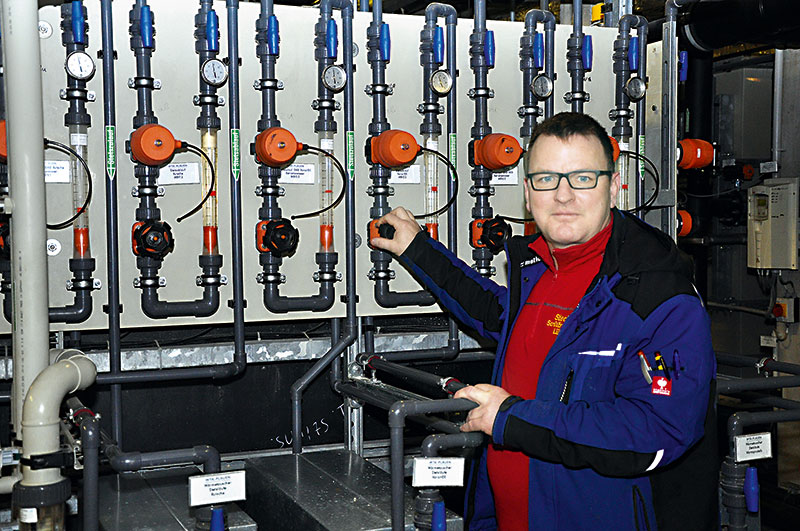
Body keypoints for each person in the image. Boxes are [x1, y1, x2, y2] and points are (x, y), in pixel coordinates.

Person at [371, 112, 717, 530]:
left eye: (583, 177)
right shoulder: (537, 270)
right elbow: (491, 310)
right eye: (546, 178)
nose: (563, 196)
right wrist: (416, 249)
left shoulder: (660, 297)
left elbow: (659, 429)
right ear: (528, 191)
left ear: (612, 185)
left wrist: (512, 419)